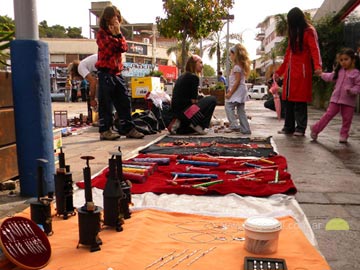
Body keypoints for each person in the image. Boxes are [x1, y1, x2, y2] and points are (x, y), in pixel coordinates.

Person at [95, 5, 144, 140]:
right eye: (114, 16)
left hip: (117, 72)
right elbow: (109, 47)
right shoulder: (101, 34)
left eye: (117, 16)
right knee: (106, 103)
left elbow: (123, 47)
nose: (116, 19)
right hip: (105, 72)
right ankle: (105, 130)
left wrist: (117, 34)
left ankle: (128, 128)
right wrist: (116, 37)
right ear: (108, 18)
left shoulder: (117, 34)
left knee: (124, 101)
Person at [275, 7, 322, 136]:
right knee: (288, 99)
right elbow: (287, 54)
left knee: (300, 100)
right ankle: (288, 127)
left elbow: (314, 50)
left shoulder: (309, 31)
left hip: (302, 71)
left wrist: (318, 66)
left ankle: (300, 128)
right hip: (291, 72)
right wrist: (279, 71)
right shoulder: (293, 32)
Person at [310, 48, 360, 143]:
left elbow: (358, 86)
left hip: (349, 101)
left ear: (353, 60)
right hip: (335, 99)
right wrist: (321, 74)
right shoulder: (339, 72)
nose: (343, 62)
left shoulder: (356, 73)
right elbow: (330, 77)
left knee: (347, 119)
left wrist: (352, 91)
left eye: (346, 59)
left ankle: (344, 135)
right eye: (341, 60)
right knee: (328, 115)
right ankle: (316, 129)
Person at [168, 55, 216, 135]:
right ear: (194, 64)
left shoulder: (182, 76)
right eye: (200, 63)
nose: (202, 65)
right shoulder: (193, 77)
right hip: (186, 113)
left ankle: (186, 126)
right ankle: (200, 125)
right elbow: (194, 101)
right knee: (212, 99)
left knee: (203, 101)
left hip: (177, 113)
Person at [224, 44, 251, 134]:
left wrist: (230, 93)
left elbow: (237, 82)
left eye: (231, 54)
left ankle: (234, 125)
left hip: (238, 89)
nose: (230, 56)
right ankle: (245, 129)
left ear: (235, 55)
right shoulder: (241, 66)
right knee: (240, 110)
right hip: (241, 90)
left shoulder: (236, 67)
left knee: (228, 106)